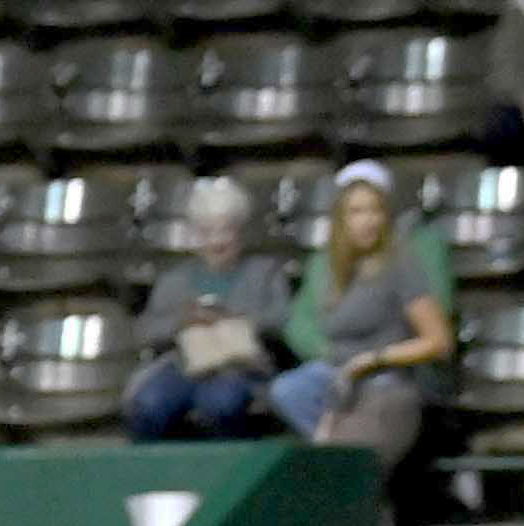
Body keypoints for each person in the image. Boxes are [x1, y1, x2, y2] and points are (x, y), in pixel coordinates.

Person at [271, 162, 458, 473]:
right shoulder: (331, 270)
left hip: (386, 378)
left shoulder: (402, 263)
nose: (367, 221)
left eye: (375, 211)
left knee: (350, 455)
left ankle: (340, 453)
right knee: (288, 390)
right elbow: (302, 325)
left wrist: (374, 358)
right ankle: (329, 443)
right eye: (356, 212)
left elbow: (439, 342)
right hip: (338, 376)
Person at [123, 175, 296, 445]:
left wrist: (238, 320)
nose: (217, 242)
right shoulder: (174, 280)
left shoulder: (265, 273)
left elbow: (282, 318)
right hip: (184, 364)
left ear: (240, 231)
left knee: (220, 403)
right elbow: (146, 330)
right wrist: (183, 320)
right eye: (207, 232)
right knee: (149, 403)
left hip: (240, 365)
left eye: (226, 230)